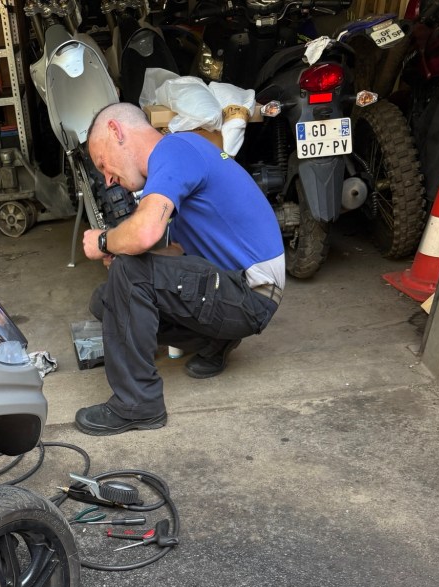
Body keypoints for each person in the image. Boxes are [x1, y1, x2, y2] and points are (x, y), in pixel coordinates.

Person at [75, 102, 285, 436]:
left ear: (116, 131)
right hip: (233, 288)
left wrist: (104, 241)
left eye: (103, 163)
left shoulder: (173, 151)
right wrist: (128, 253)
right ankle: (216, 340)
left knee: (128, 272)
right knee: (107, 298)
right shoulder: (178, 159)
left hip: (251, 293)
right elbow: (177, 251)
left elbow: (145, 232)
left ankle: (138, 405)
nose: (108, 178)